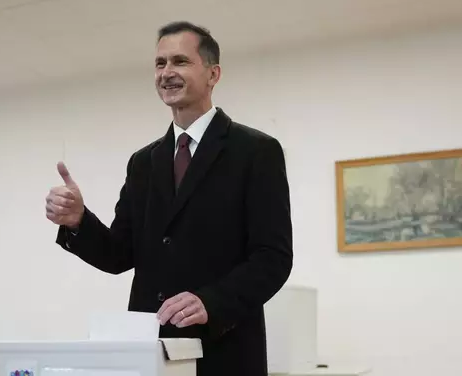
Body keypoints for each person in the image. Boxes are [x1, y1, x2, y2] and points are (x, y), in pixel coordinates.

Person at [45, 21, 293, 376]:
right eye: (160, 64)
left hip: (224, 350)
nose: (167, 73)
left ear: (213, 74)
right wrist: (78, 221)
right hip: (150, 351)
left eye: (180, 61)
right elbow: (119, 253)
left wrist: (212, 302)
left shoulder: (256, 151)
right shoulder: (143, 162)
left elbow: (273, 257)